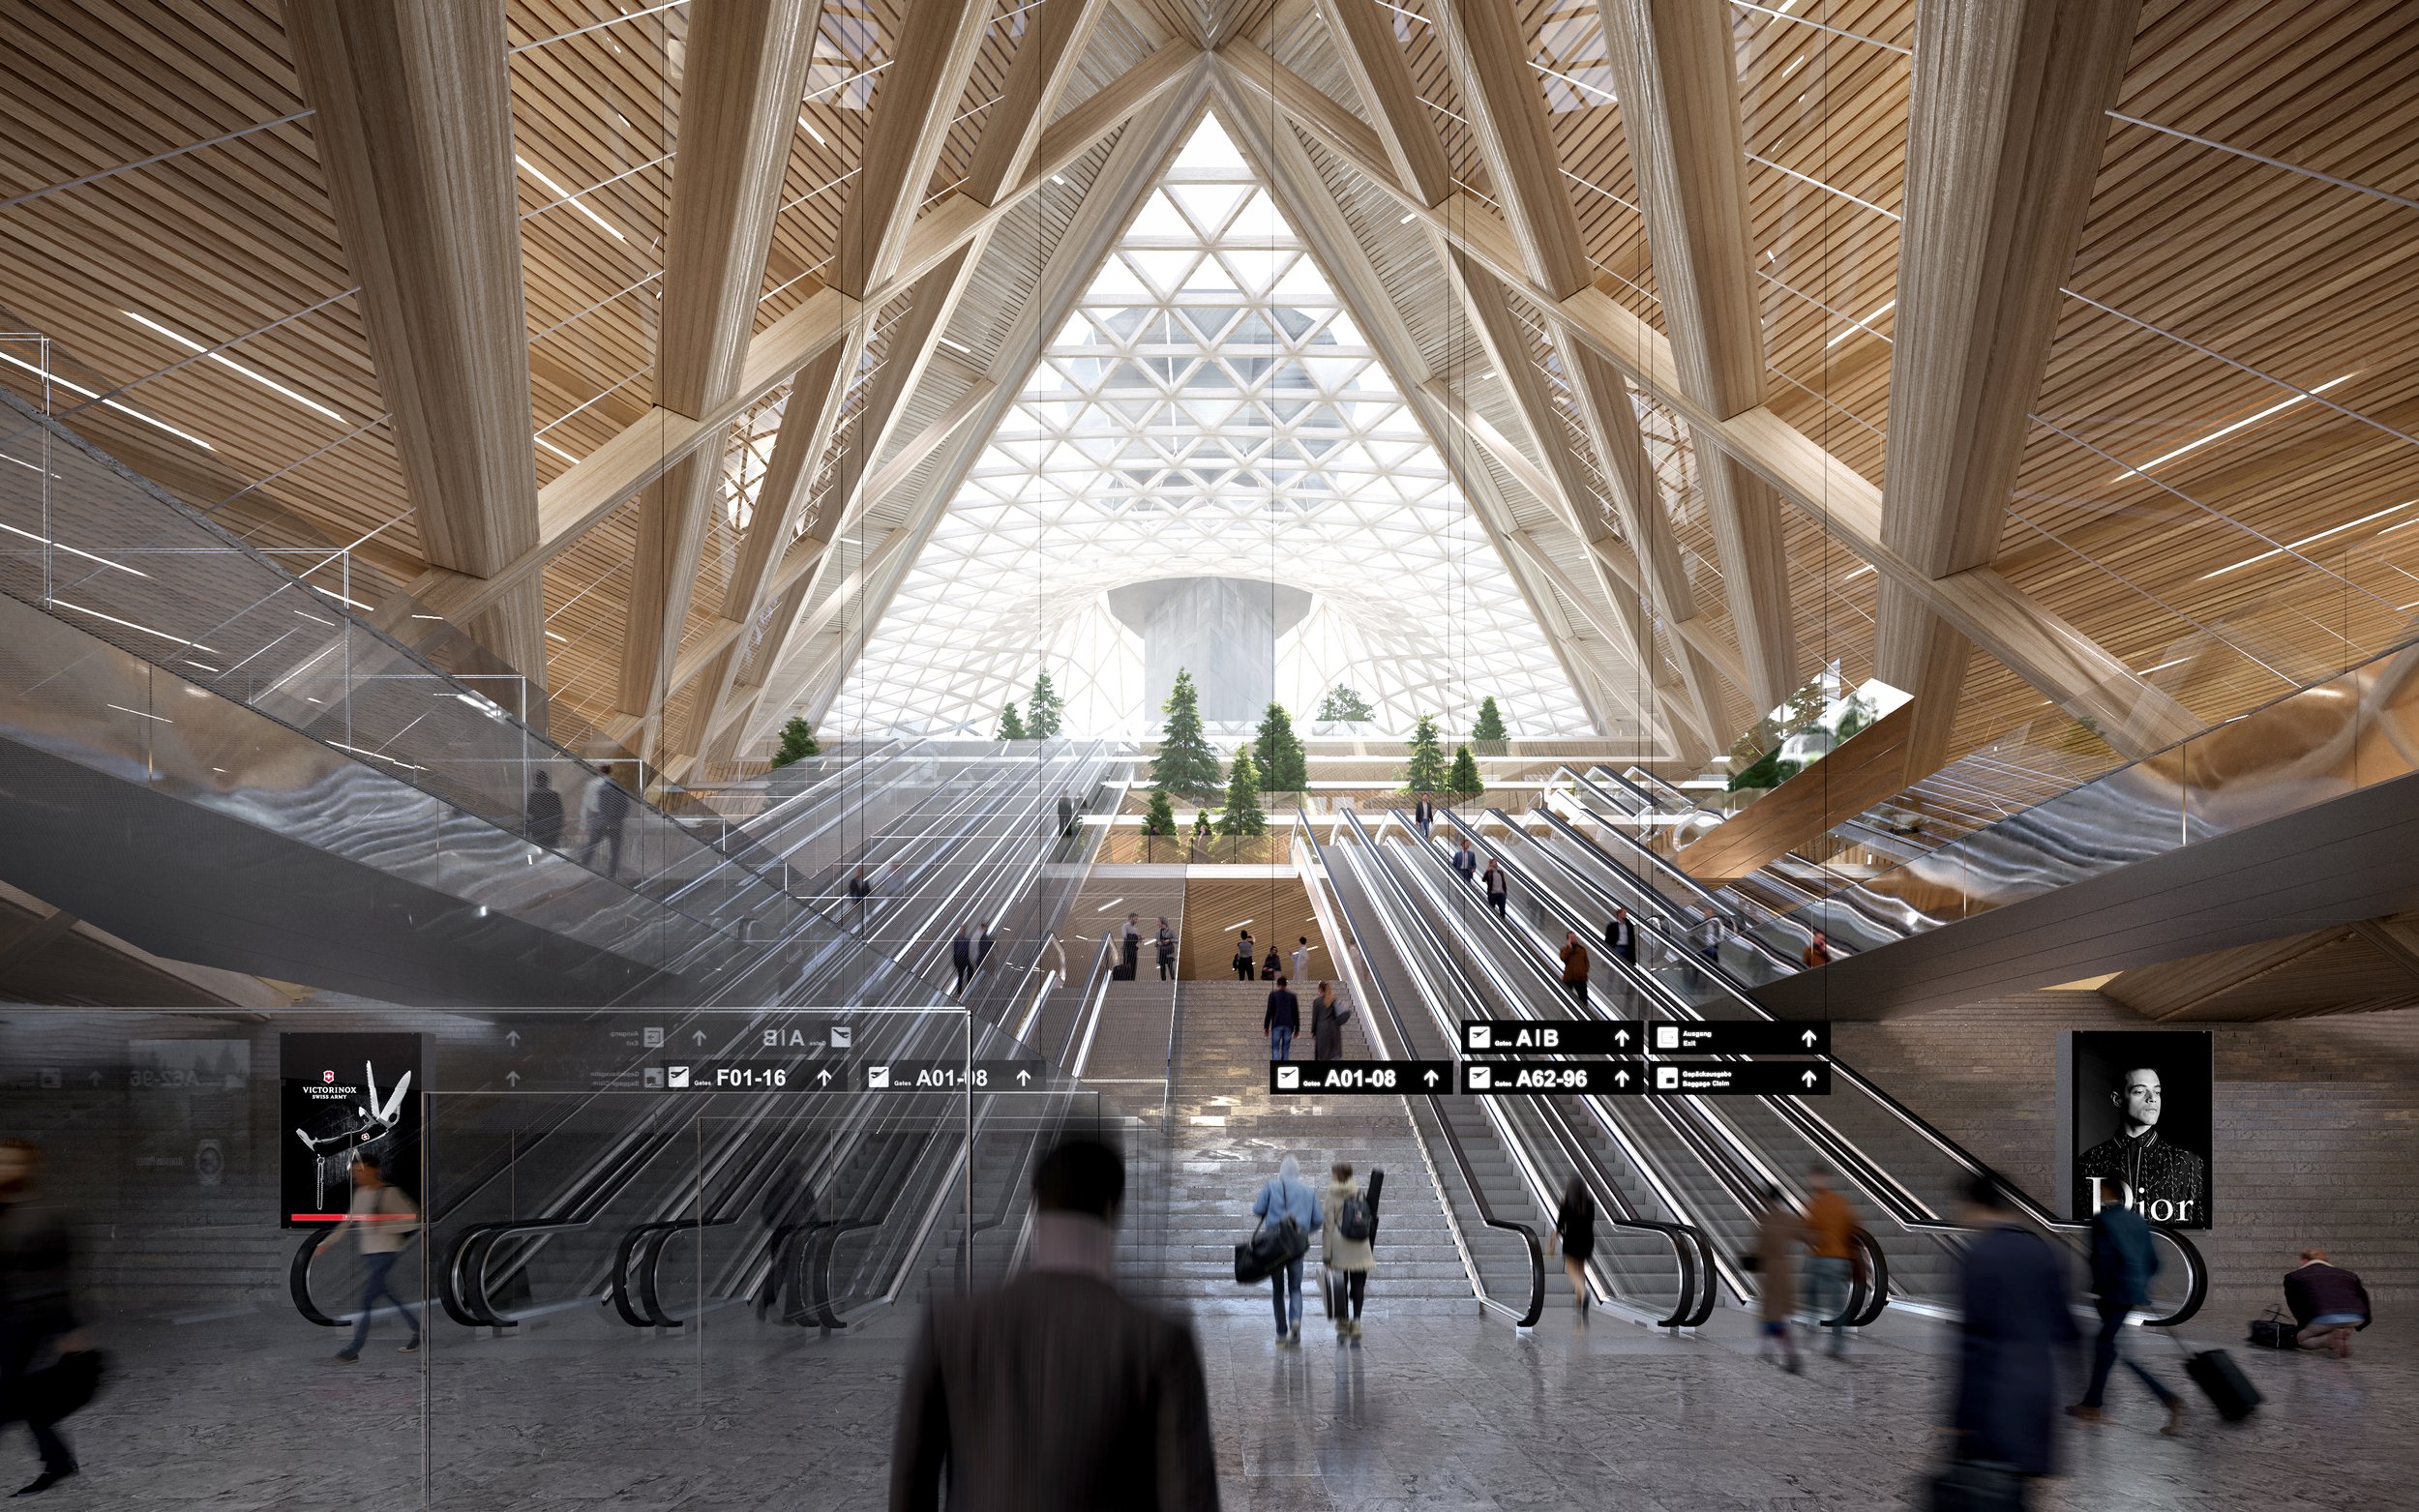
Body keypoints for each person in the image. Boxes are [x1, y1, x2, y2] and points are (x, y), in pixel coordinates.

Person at [889, 1137, 1218, 1511]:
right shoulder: (1159, 1338)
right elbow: (1189, 1497)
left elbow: (910, 1486)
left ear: (1033, 1200)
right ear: (1114, 1207)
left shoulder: (950, 1326)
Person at [1950, 1172, 2077, 1487]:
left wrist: (1960, 1418)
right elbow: (2067, 1328)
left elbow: (1972, 1342)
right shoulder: (2045, 1252)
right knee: (2020, 1489)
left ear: (1974, 1205)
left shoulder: (1979, 1257)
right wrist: (2085, 1389)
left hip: (1993, 1397)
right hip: (2038, 1392)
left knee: (1989, 1494)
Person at [0, 1140, 85, 1496]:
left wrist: (68, 1328)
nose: (3, 1168)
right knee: (19, 1399)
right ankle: (58, 1460)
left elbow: (55, 1278)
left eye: (11, 1162)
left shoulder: (43, 1216)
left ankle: (58, 1460)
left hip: (26, 1322)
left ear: (28, 1167)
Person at [2069, 1183, 2183, 1435]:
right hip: (2132, 1293)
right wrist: (2139, 1283)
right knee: (2107, 1347)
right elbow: (2153, 1261)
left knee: (2109, 1347)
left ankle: (2167, 1397)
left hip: (2112, 1293)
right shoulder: (2137, 1220)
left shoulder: (2103, 1221)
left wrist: (2099, 1290)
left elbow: (2101, 1259)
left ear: (2106, 1192)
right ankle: (2092, 1404)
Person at [316, 1151, 420, 1363]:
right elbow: (347, 1221)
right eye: (354, 1172)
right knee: (387, 1294)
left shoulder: (390, 1193)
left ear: (374, 1170)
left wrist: (382, 1221)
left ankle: (354, 1348)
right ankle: (417, 1330)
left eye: (360, 1171)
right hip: (370, 1254)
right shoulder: (360, 1194)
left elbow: (412, 1221)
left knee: (367, 1300)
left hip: (387, 1252)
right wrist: (327, 1242)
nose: (357, 1176)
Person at [2076, 1065, 2207, 1227]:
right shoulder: (2088, 1162)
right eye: (2140, 1091)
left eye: (2157, 1092)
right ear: (2117, 1099)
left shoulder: (2188, 1163)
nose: (2152, 1098)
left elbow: (2201, 1234)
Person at [1252, 1156, 1321, 1345]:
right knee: (1295, 1287)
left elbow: (1257, 1209)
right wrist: (1305, 1232)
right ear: (1297, 1172)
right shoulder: (1308, 1191)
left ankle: (1281, 1332)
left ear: (1281, 1171)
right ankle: (1295, 1321)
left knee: (1278, 1290)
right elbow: (1318, 1219)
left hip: (1274, 1246)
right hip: (1296, 1246)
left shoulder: (1271, 1187)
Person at [1801, 1168, 1857, 1359]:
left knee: (1811, 1297)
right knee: (1837, 1303)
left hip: (1820, 1258)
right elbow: (1853, 1229)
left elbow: (1808, 1232)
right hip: (1841, 1259)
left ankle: (1810, 1335)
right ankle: (1837, 1344)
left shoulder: (1814, 1204)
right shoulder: (1841, 1203)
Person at [1322, 1163, 1378, 1340]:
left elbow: (1328, 1228)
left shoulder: (1332, 1196)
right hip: (1361, 1245)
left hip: (1341, 1246)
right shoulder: (1359, 1193)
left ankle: (1344, 1320)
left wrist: (1326, 1255)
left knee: (1341, 1283)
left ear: (1336, 1176)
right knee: (1358, 1283)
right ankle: (1357, 1322)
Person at [2284, 1248, 2372, 1357]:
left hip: (2324, 1316)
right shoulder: (2349, 1275)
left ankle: (2330, 1340)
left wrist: (2303, 1326)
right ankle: (2343, 1332)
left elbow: (2295, 1305)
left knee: (2301, 1339)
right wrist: (2362, 1325)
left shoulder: (2293, 1277)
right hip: (2355, 1317)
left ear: (2304, 1261)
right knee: (2341, 1318)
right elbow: (2364, 1299)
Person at [1755, 1184, 1803, 1373]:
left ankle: (1791, 1355)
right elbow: (1805, 1235)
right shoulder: (1788, 1219)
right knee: (1771, 1314)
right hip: (1784, 1269)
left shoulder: (1766, 1220)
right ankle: (1767, 1349)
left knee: (1773, 1316)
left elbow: (1762, 1248)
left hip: (1772, 1270)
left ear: (1767, 1200)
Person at [1552, 1174, 1594, 1320]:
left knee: (1571, 1271)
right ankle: (1579, 1302)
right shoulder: (1589, 1203)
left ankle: (1583, 1293)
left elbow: (1559, 1225)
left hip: (1572, 1240)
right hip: (1587, 1240)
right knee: (1580, 1270)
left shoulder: (1567, 1203)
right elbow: (1590, 1222)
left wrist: (1552, 1243)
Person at [582, 775, 630, 878]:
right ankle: (612, 874)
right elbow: (625, 808)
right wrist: (618, 818)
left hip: (601, 823)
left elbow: (597, 806)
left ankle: (583, 865)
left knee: (591, 845)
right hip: (615, 825)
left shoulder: (602, 789)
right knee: (615, 851)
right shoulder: (621, 791)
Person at [524, 768, 565, 848]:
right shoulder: (554, 795)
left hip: (539, 827)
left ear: (537, 781)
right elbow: (560, 813)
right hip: (552, 828)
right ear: (546, 781)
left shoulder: (534, 795)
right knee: (551, 849)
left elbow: (530, 810)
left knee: (537, 849)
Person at [1265, 976, 1300, 1062]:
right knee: (1285, 1049)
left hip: (1277, 1024)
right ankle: (1284, 1068)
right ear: (1286, 984)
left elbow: (1269, 1011)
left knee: (1275, 1048)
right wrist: (1297, 1029)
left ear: (1277, 984)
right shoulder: (1292, 996)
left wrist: (1266, 1027)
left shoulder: (1273, 995)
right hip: (1289, 1025)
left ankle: (1276, 1069)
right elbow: (1296, 1013)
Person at [1310, 983, 1347, 1062]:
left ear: (1320, 989)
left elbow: (1315, 1018)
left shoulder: (1317, 1001)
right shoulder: (1334, 1000)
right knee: (1334, 1052)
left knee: (1323, 1053)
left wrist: (1313, 1031)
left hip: (1321, 1030)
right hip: (1334, 1029)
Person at [1559, 931, 1589, 1007]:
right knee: (1566, 997)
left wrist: (1584, 971)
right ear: (1567, 939)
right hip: (1569, 977)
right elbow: (1563, 958)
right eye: (1571, 937)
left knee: (1583, 998)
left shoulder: (1582, 950)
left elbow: (1586, 962)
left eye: (1574, 937)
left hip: (1580, 977)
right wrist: (1569, 948)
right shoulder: (1564, 950)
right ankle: (1566, 1014)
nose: (1573, 939)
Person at [951, 925, 975, 994]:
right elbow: (955, 951)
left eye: (963, 930)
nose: (962, 931)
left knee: (970, 969)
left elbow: (969, 951)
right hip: (959, 961)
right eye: (961, 930)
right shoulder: (956, 940)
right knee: (960, 976)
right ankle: (959, 992)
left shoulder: (967, 940)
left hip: (965, 960)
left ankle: (969, 986)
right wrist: (955, 962)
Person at [1154, 917, 1178, 981]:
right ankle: (1163, 982)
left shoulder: (1171, 931)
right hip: (1161, 953)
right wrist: (1157, 943)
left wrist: (1169, 940)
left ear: (1163, 922)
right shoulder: (1158, 933)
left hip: (1169, 953)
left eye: (1158, 922)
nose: (1157, 923)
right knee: (1162, 968)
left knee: (1170, 967)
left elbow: (1177, 940)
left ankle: (1173, 980)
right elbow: (1156, 944)